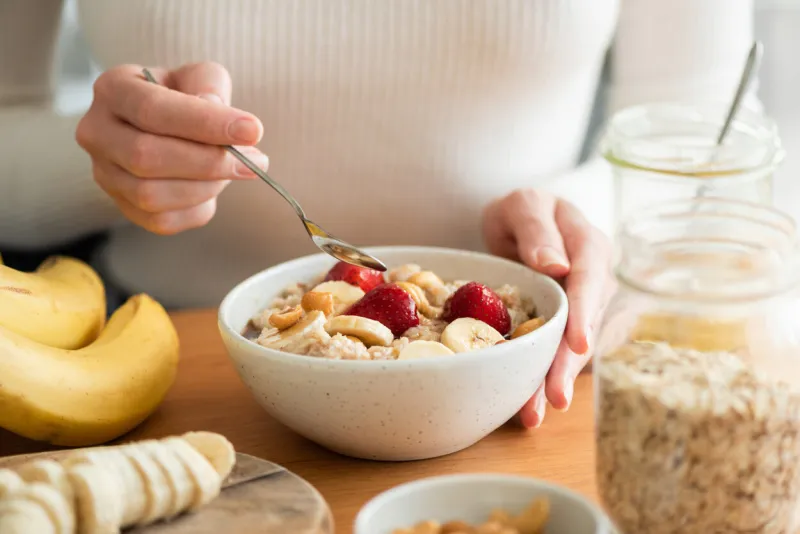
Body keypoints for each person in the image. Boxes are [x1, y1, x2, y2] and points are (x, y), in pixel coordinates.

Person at [0, 0, 759, 429]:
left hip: (519, 382)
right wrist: (112, 162)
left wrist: (581, 214)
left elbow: (710, 125)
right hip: (170, 378)